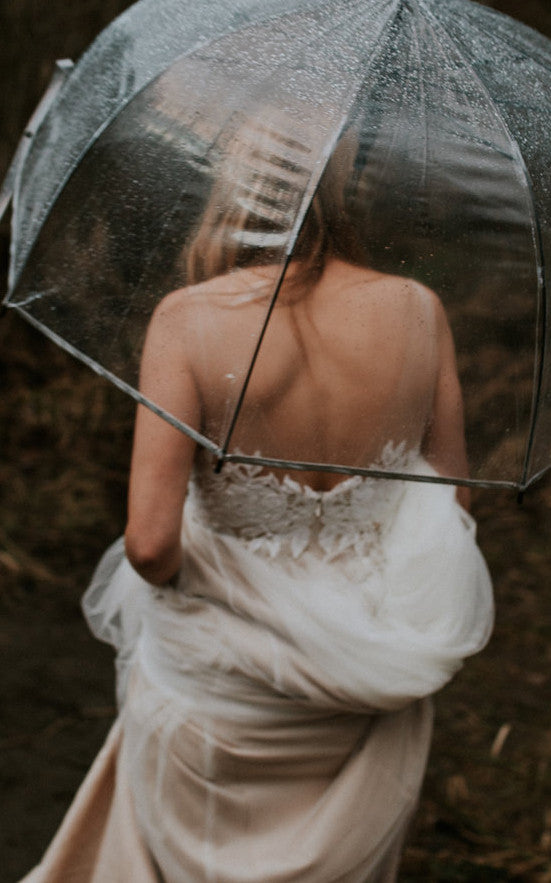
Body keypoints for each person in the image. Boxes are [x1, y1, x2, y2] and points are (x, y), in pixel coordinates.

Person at [21, 115, 493, 882]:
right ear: (339, 187)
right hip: (362, 683)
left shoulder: (188, 320)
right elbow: (452, 507)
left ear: (234, 189)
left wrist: (223, 576)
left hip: (219, 689)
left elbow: (150, 544)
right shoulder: (417, 308)